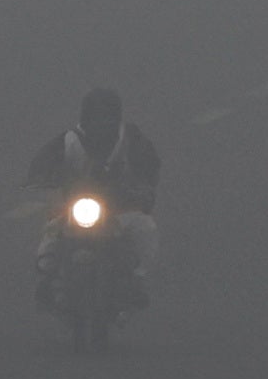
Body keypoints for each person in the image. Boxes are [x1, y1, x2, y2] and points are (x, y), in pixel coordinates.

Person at [27, 86, 165, 279]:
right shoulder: (70, 141)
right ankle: (46, 274)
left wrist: (143, 189)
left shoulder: (130, 139)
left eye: (107, 116)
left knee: (145, 227)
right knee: (51, 235)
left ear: (116, 117)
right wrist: (41, 179)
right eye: (96, 116)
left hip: (120, 208)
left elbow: (150, 166)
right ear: (85, 117)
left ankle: (139, 276)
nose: (101, 123)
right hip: (73, 210)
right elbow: (40, 165)